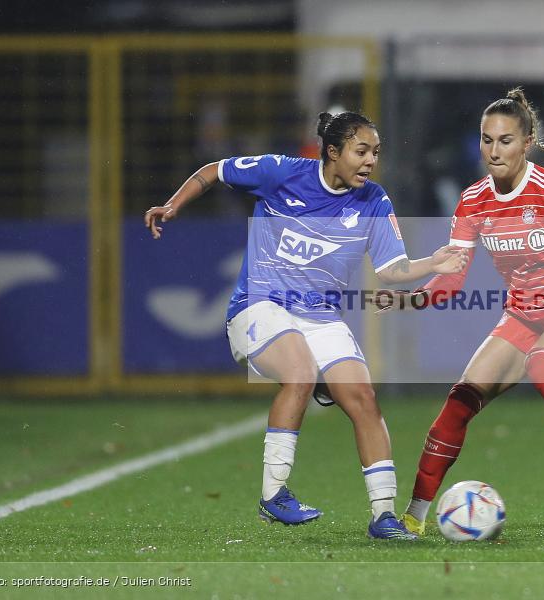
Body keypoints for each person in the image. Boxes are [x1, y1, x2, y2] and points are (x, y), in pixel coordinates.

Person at [144, 111, 468, 540]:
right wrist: (173, 205)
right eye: (361, 151)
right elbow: (213, 171)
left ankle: (384, 516)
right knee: (299, 373)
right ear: (332, 152)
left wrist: (434, 263)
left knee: (363, 398)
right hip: (258, 306)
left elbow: (392, 270)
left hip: (320, 318)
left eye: (375, 152)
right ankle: (273, 494)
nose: (371, 161)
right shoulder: (280, 173)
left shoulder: (374, 200)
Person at [382, 89, 544, 536]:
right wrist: (414, 298)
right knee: (459, 400)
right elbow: (452, 278)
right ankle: (414, 516)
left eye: (506, 140)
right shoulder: (473, 200)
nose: (494, 151)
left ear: (527, 142)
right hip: (525, 312)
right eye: (486, 139)